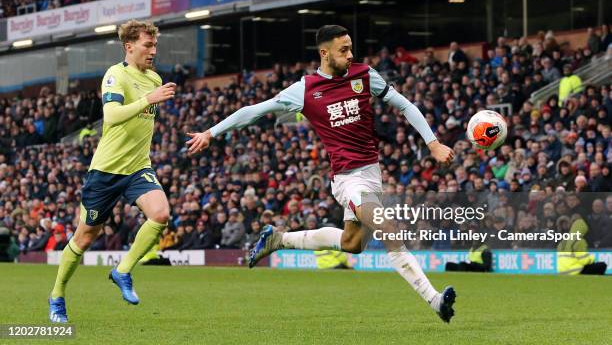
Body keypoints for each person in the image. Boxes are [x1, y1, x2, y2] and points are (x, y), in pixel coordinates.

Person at [186, 25, 457, 322]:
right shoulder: (304, 89)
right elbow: (254, 110)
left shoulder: (364, 75)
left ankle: (278, 240)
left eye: (351, 47)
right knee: (388, 227)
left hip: (372, 174)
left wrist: (432, 143)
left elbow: (404, 105)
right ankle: (434, 300)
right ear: (324, 53)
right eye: (344, 50)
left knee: (352, 244)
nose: (350, 55)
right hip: (347, 179)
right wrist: (211, 132)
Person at [48, 20, 177, 323]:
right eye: (148, 45)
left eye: (155, 45)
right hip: (106, 171)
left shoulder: (154, 78)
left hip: (138, 167)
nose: (153, 51)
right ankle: (57, 295)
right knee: (85, 237)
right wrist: (148, 99)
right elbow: (112, 116)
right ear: (129, 46)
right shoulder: (115, 75)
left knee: (160, 214)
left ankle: (122, 271)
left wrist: (150, 97)